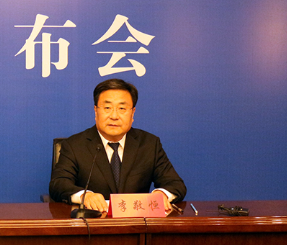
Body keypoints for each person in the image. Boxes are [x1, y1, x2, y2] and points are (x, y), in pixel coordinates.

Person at [49, 78, 186, 212]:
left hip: (136, 222)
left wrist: (162, 194)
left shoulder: (149, 144)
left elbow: (175, 184)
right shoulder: (74, 145)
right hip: (93, 221)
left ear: (132, 113)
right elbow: (58, 184)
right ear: (96, 111)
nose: (114, 116)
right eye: (107, 108)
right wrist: (85, 196)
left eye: (122, 108)